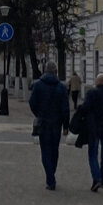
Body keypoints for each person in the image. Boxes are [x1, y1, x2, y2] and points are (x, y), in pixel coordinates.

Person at [28, 62, 70, 191]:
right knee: (54, 150)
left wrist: (39, 114)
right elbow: (65, 108)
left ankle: (50, 178)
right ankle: (51, 174)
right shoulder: (61, 87)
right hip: (56, 123)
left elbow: (32, 102)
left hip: (43, 123)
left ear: (45, 71)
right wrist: (65, 126)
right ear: (55, 72)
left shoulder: (38, 85)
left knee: (45, 150)